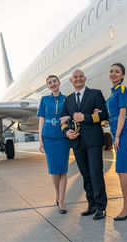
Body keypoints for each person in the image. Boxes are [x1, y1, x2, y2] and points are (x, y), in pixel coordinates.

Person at [61, 69, 108, 220]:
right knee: (85, 174)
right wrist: (67, 132)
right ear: (71, 80)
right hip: (77, 141)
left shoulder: (95, 94)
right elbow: (63, 120)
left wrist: (85, 117)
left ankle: (101, 206)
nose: (78, 79)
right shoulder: (68, 99)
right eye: (75, 77)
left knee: (96, 173)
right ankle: (91, 204)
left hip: (93, 141)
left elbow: (103, 114)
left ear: (85, 78)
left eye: (81, 77)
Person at [104, 63, 127, 221]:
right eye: (111, 71)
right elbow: (111, 115)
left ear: (122, 76)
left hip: (123, 133)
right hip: (118, 133)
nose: (113, 74)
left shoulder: (122, 90)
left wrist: (117, 136)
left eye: (117, 72)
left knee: (120, 170)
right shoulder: (112, 94)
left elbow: (122, 114)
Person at [37, 75, 70, 214]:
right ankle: (58, 195)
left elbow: (71, 114)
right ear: (48, 86)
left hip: (63, 137)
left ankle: (61, 200)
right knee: (54, 170)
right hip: (49, 137)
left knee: (63, 169)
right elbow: (41, 120)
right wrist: (40, 140)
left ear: (59, 82)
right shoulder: (44, 100)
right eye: (50, 83)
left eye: (54, 81)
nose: (52, 84)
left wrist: (68, 117)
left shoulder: (66, 99)